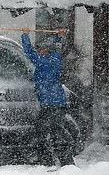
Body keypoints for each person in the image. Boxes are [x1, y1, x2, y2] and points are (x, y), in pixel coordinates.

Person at [21, 29, 75, 167]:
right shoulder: (55, 59)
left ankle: (53, 161)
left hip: (50, 105)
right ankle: (62, 161)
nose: (39, 51)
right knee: (54, 131)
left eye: (42, 50)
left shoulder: (42, 63)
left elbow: (29, 52)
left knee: (45, 131)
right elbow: (58, 48)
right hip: (57, 104)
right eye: (39, 50)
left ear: (46, 52)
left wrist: (25, 35)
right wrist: (60, 37)